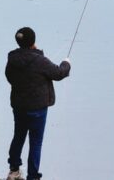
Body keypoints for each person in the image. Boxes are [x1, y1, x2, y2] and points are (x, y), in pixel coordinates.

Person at [5, 27, 71, 180]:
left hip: (19, 106)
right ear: (33, 41)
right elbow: (59, 73)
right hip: (38, 109)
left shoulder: (12, 59)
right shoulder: (39, 60)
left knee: (18, 136)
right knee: (36, 142)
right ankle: (33, 176)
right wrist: (66, 63)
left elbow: (9, 77)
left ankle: (13, 170)